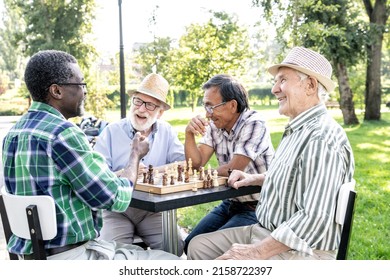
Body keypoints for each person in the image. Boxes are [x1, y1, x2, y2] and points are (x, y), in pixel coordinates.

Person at [1, 50, 179, 260]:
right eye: (80, 85)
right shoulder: (63, 133)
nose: (84, 92)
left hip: (33, 259)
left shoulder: (14, 133)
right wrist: (134, 156)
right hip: (75, 258)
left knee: (143, 251)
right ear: (57, 91)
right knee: (170, 260)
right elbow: (113, 197)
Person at [186, 47, 355, 260]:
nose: (274, 89)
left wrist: (256, 252)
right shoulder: (297, 129)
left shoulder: (321, 137)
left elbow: (316, 217)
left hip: (302, 250)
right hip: (267, 231)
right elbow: (294, 180)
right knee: (197, 246)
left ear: (310, 85)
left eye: (282, 80)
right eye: (275, 81)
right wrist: (254, 178)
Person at [94, 73, 185, 256]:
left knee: (176, 248)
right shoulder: (111, 131)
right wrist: (127, 171)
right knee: (112, 256)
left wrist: (151, 171)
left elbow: (182, 165)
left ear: (160, 112)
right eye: (138, 101)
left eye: (150, 105)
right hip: (117, 209)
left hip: (153, 210)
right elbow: (98, 176)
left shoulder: (166, 131)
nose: (141, 109)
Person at [183, 74, 275, 253]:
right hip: (231, 202)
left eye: (211, 106)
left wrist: (199, 176)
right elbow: (196, 164)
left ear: (232, 105)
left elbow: (233, 169)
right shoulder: (215, 125)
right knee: (190, 244)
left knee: (212, 251)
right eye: (205, 106)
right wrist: (189, 134)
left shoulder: (254, 123)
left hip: (259, 207)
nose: (207, 113)